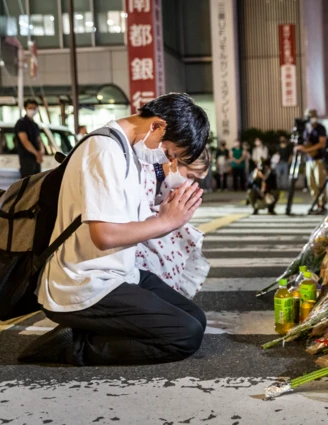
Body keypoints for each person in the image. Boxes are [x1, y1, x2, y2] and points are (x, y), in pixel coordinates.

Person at [19, 93, 209, 366]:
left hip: (118, 273)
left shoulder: (125, 150)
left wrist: (171, 216)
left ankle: (92, 329)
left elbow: (137, 225)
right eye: (170, 153)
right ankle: (73, 346)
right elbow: (104, 236)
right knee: (185, 335)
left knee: (196, 320)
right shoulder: (104, 150)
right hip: (84, 282)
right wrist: (166, 221)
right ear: (157, 126)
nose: (166, 161)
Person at [136, 152, 211, 299]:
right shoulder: (145, 172)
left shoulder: (162, 180)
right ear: (174, 161)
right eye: (190, 176)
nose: (190, 182)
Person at [296, 109, 327, 213]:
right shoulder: (307, 129)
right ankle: (316, 203)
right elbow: (304, 142)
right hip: (309, 160)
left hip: (318, 159)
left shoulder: (320, 128)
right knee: (311, 183)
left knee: (320, 182)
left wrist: (307, 149)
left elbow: (321, 143)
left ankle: (323, 204)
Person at [15, 99, 45, 178]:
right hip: (26, 159)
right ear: (25, 108)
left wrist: (41, 151)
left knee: (37, 181)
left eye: (34, 108)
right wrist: (37, 153)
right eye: (30, 108)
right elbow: (25, 141)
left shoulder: (35, 125)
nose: (32, 110)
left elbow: (39, 140)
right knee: (28, 183)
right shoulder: (21, 123)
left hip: (36, 159)